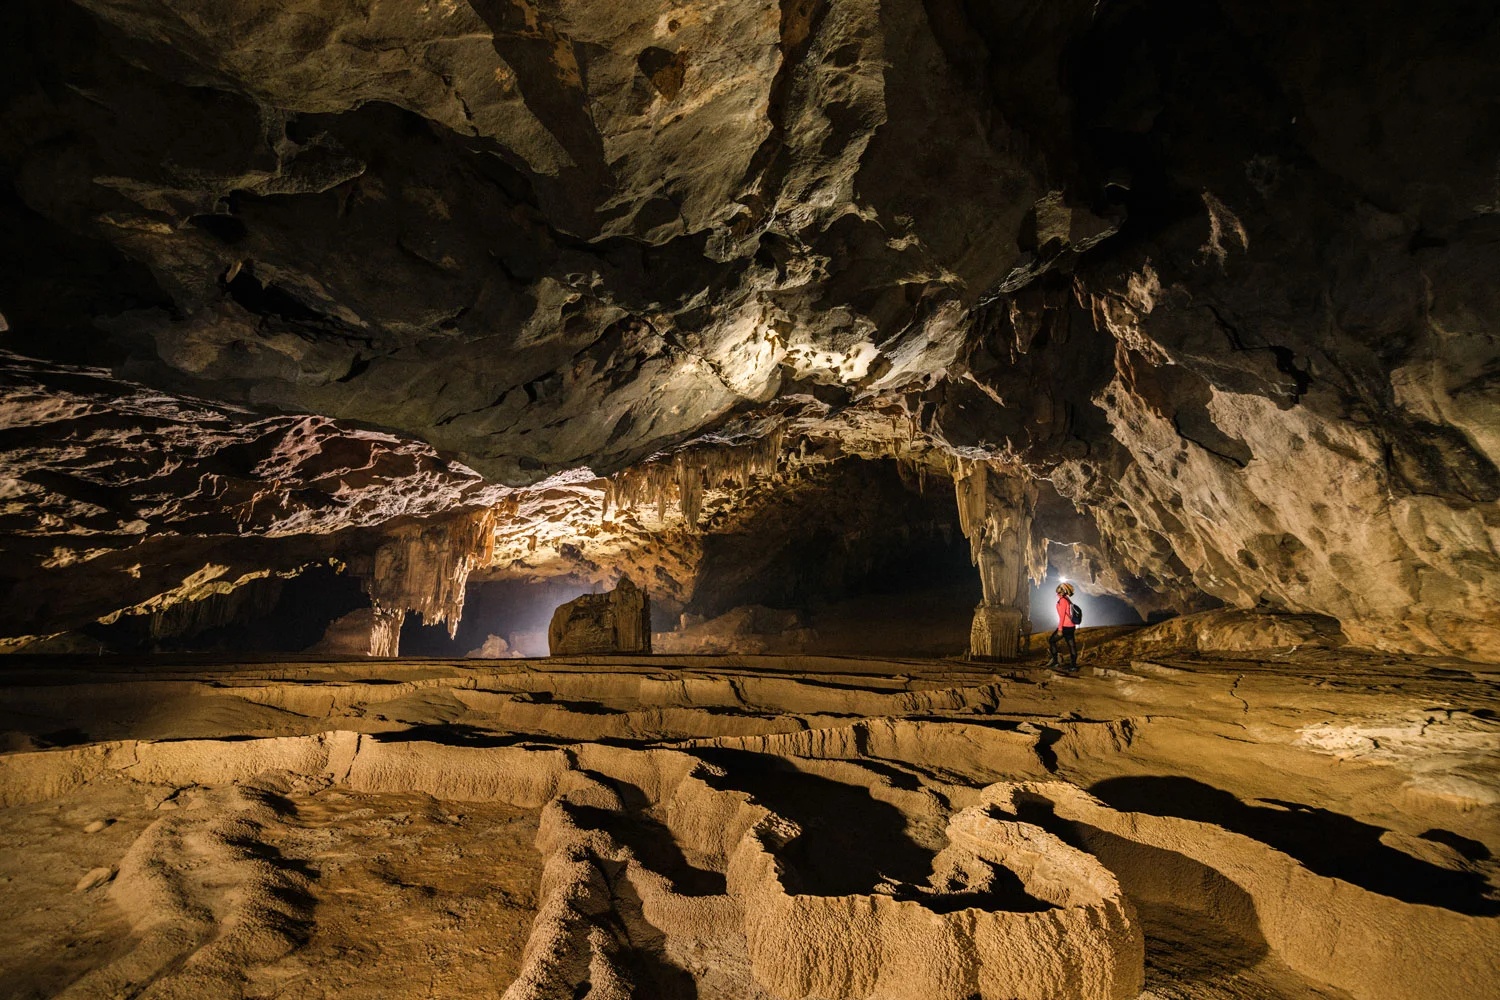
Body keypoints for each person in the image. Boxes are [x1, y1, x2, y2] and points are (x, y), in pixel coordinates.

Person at [1047, 582, 1078, 671]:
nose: (1057, 594)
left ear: (1063, 592)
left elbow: (1062, 616)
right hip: (1071, 626)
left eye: (1059, 592)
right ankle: (1073, 666)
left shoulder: (1063, 601)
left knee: (1052, 641)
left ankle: (1055, 661)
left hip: (1064, 626)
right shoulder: (1067, 599)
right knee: (1071, 645)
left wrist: (1060, 629)